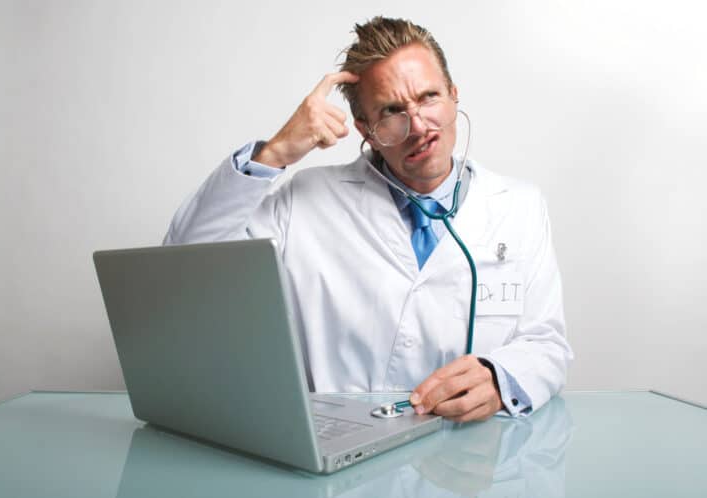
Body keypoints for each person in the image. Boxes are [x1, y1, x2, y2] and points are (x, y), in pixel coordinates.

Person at [163, 17, 573, 422]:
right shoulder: (304, 202)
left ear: (453, 95)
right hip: (341, 455)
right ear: (365, 129)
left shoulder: (519, 206)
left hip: (470, 467)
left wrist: (499, 380)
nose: (418, 127)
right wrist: (275, 152)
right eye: (392, 111)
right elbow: (183, 266)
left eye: (429, 97)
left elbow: (546, 342)